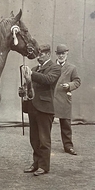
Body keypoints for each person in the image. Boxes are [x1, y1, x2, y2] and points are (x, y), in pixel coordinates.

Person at [19, 44, 61, 176]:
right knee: (34, 139)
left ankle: (44, 166)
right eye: (37, 54)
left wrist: (31, 74)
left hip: (44, 108)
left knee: (44, 139)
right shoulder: (35, 68)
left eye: (41, 54)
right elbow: (29, 86)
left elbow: (48, 80)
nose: (38, 57)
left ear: (48, 54)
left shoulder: (55, 68)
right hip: (32, 107)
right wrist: (23, 90)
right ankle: (36, 163)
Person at [53, 44, 81, 155]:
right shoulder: (51, 66)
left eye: (63, 53)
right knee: (45, 124)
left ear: (67, 53)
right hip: (51, 98)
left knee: (66, 125)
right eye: (59, 53)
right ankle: (44, 145)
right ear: (56, 54)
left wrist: (69, 85)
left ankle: (68, 146)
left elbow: (77, 81)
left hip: (64, 98)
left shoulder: (72, 68)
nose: (61, 56)